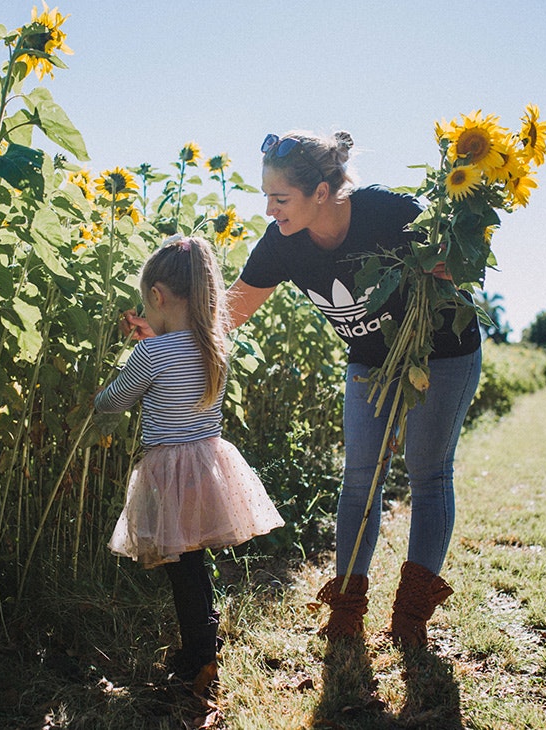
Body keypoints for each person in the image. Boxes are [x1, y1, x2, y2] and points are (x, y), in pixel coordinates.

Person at [184, 130, 481, 648]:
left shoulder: (389, 213)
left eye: (280, 198)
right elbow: (233, 309)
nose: (270, 210)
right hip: (370, 361)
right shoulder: (282, 242)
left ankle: (410, 618)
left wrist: (450, 264)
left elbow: (462, 261)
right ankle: (346, 610)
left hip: (444, 351)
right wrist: (169, 332)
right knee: (360, 477)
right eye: (267, 198)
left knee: (427, 472)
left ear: (321, 192)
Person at [96, 235, 284, 697]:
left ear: (157, 296)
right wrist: (156, 339)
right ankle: (207, 638)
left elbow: (116, 400)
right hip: (207, 465)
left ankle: (197, 656)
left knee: (181, 568)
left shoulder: (151, 354)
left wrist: (98, 397)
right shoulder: (213, 344)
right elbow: (177, 360)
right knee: (194, 561)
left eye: (147, 302)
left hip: (168, 471)